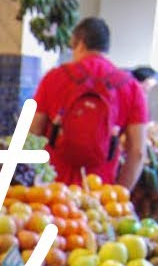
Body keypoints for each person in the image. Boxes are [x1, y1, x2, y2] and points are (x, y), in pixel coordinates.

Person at [30, 18, 149, 189]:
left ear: (78, 43)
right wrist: (120, 195)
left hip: (54, 192)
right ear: (106, 47)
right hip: (100, 191)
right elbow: (137, 152)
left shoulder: (54, 78)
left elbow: (34, 132)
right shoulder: (131, 87)